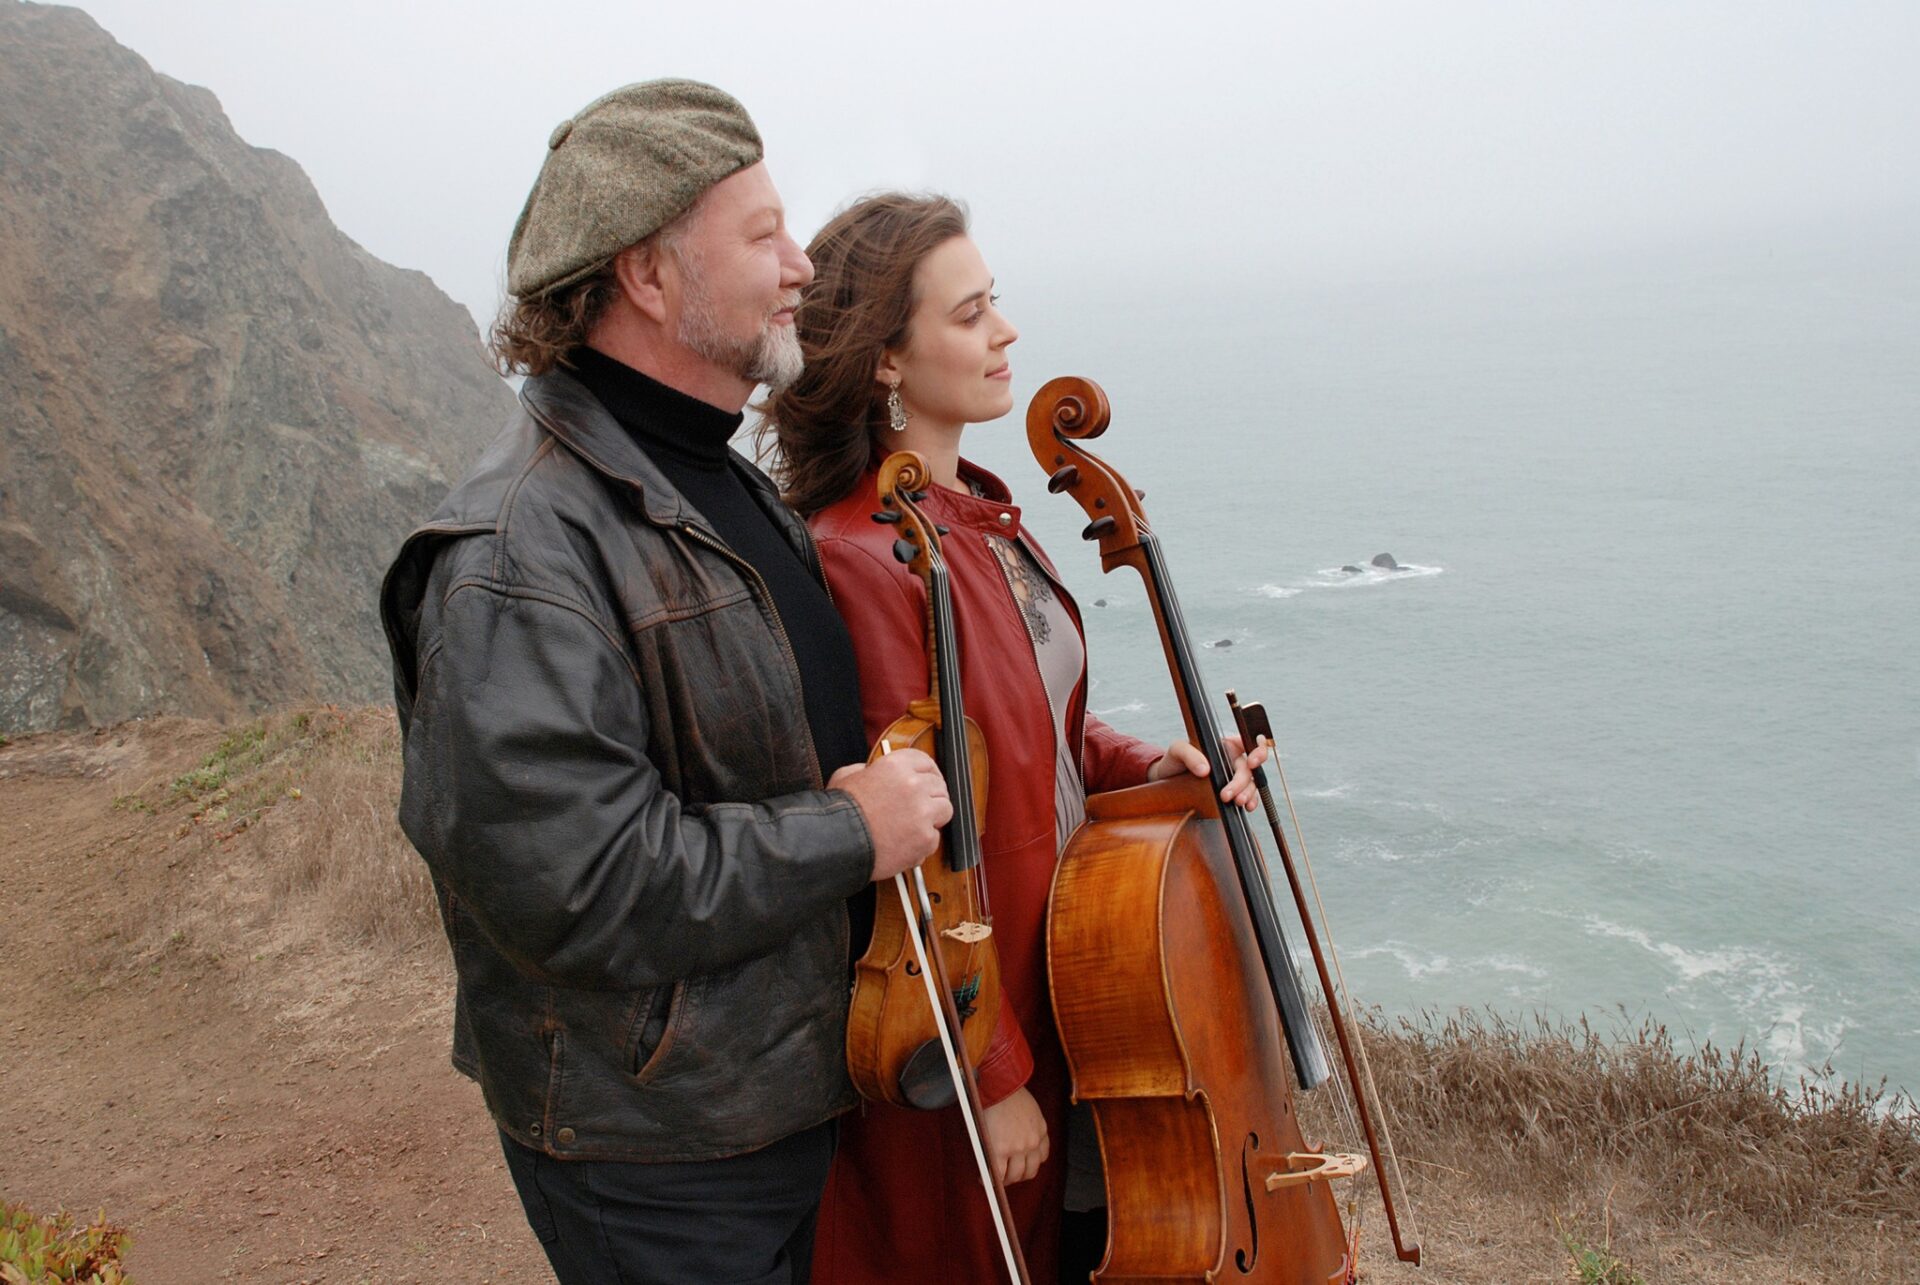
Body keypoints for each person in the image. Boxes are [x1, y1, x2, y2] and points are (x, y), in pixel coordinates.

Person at [379, 84, 952, 1285]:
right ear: (647, 274)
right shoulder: (517, 553)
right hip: (656, 1148)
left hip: (762, 1098)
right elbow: (582, 884)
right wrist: (850, 831)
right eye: (763, 237)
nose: (802, 265)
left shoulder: (715, 482)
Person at [761, 193, 1266, 1285]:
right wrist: (987, 1074)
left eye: (998, 303)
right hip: (975, 1030)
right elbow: (915, 853)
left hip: (1065, 994)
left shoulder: (980, 516)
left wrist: (1146, 764)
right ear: (888, 360)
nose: (1007, 334)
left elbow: (1041, 737)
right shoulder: (864, 556)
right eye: (972, 313)